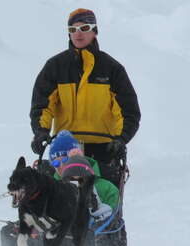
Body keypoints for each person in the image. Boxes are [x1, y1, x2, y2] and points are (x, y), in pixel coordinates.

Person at [29, 8, 140, 187]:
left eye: (84, 28)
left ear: (94, 31)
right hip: (65, 147)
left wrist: (121, 138)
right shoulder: (55, 67)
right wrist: (41, 132)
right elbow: (42, 106)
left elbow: (128, 111)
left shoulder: (112, 69)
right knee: (60, 200)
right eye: (73, 30)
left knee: (101, 196)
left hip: (103, 147)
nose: (78, 34)